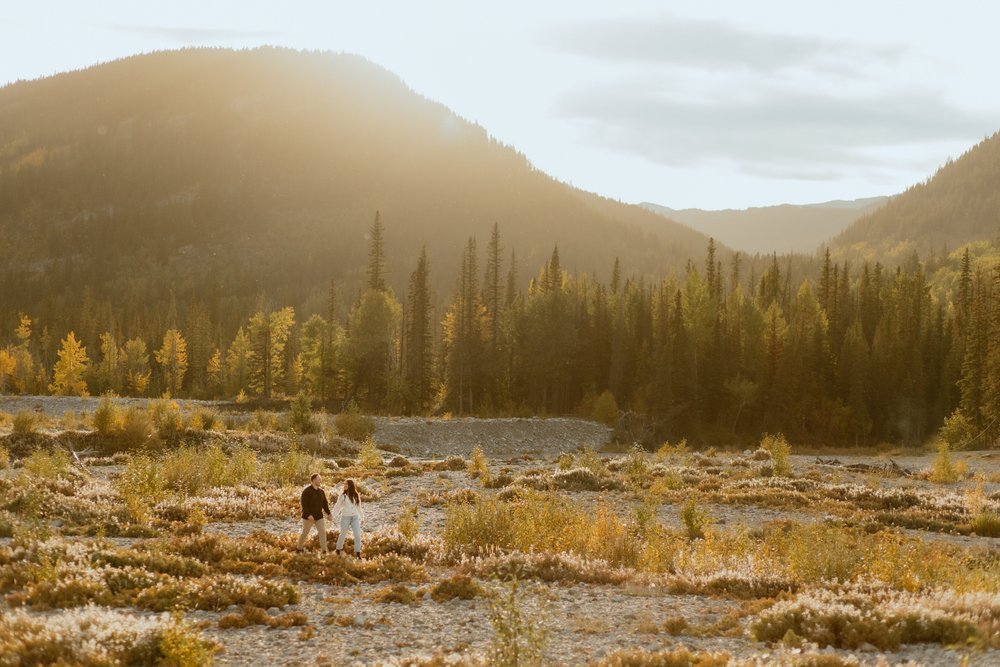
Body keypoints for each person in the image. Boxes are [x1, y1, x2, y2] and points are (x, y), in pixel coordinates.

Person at [297, 473, 331, 553]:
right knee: (305, 533)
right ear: (314, 480)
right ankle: (299, 548)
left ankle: (324, 550)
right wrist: (308, 515)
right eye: (319, 479)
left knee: (322, 532)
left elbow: (325, 504)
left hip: (319, 516)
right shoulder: (306, 491)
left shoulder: (321, 492)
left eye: (320, 479)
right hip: (308, 517)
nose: (320, 481)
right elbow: (304, 504)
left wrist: (329, 513)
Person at [332, 479, 365, 558]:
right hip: (345, 517)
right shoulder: (342, 496)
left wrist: (362, 517)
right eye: (344, 484)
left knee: (357, 535)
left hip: (355, 518)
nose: (345, 486)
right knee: (343, 534)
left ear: (350, 485)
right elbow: (337, 507)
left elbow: (359, 507)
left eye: (346, 484)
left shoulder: (356, 495)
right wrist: (333, 516)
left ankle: (358, 553)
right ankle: (338, 550)